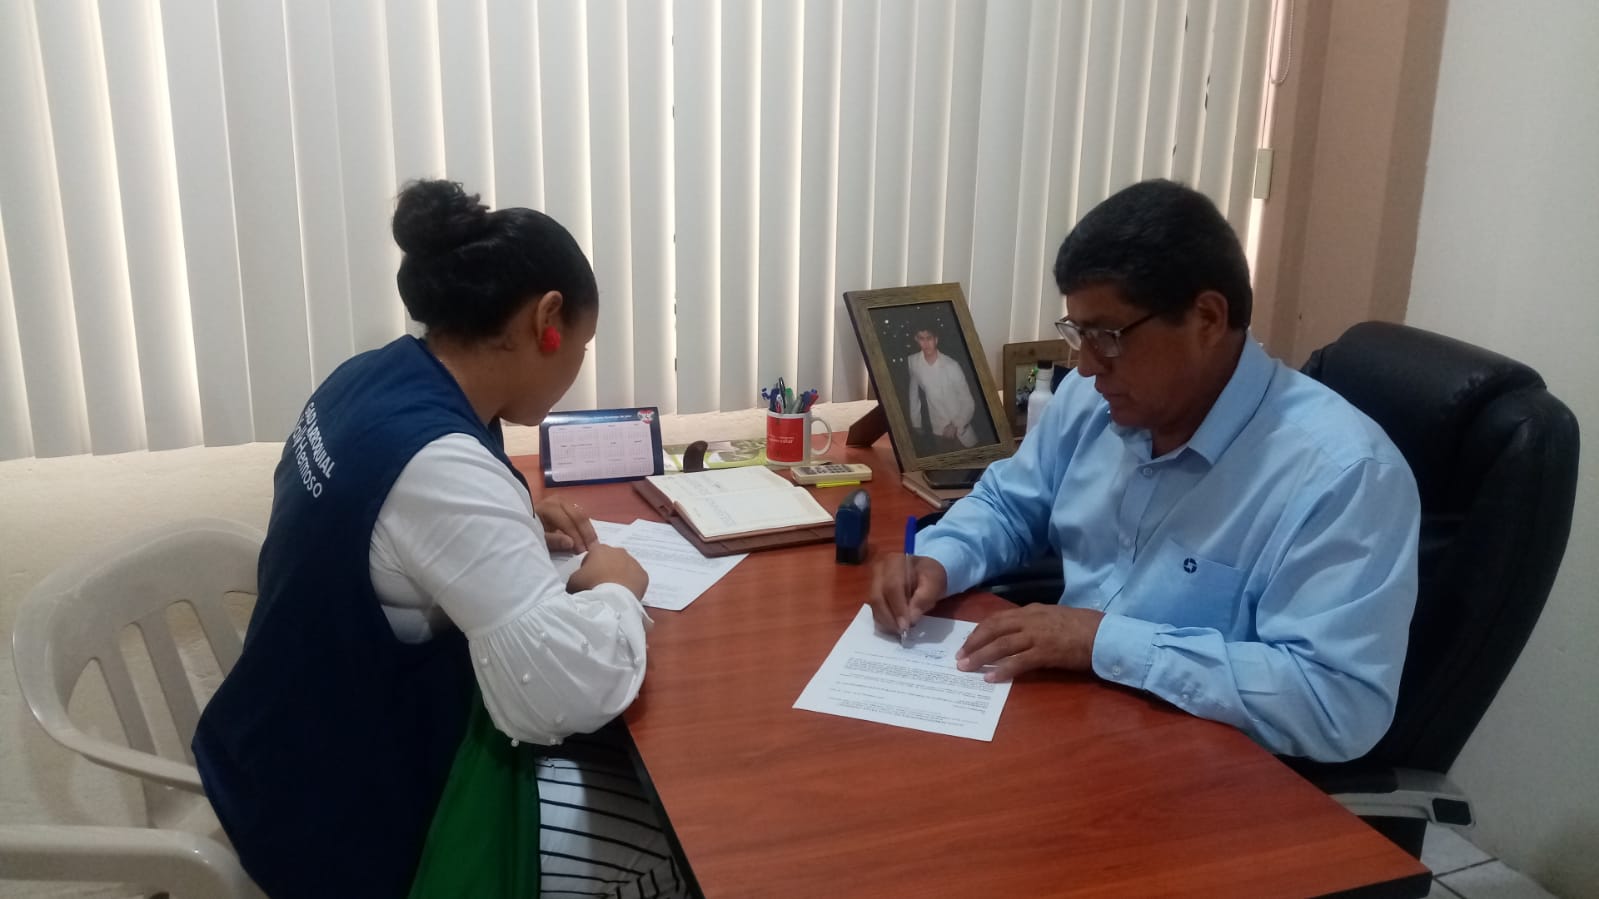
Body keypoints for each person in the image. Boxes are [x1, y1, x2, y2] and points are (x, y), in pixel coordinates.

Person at [193, 180, 685, 898]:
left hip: (271, 746)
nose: (578, 365)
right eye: (582, 345)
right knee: (668, 851)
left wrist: (515, 520)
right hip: (338, 815)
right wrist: (615, 586)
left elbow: (396, 532)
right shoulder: (441, 465)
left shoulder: (373, 376)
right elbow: (556, 695)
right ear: (547, 319)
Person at [869, 179, 1420, 763]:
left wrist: (1102, 641)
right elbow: (1011, 505)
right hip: (1071, 727)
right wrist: (940, 559)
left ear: (1207, 318)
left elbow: (1335, 702)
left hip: (1199, 773)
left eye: (1107, 337)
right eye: (1078, 333)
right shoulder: (1096, 399)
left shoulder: (1344, 475)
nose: (1086, 366)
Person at [907, 327, 980, 451]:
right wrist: (916, 422)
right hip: (937, 429)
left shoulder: (952, 366)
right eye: (921, 339)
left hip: (960, 429)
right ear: (916, 339)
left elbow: (969, 402)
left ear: (936, 339)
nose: (926, 343)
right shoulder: (913, 361)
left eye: (929, 338)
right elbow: (913, 393)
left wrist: (955, 424)